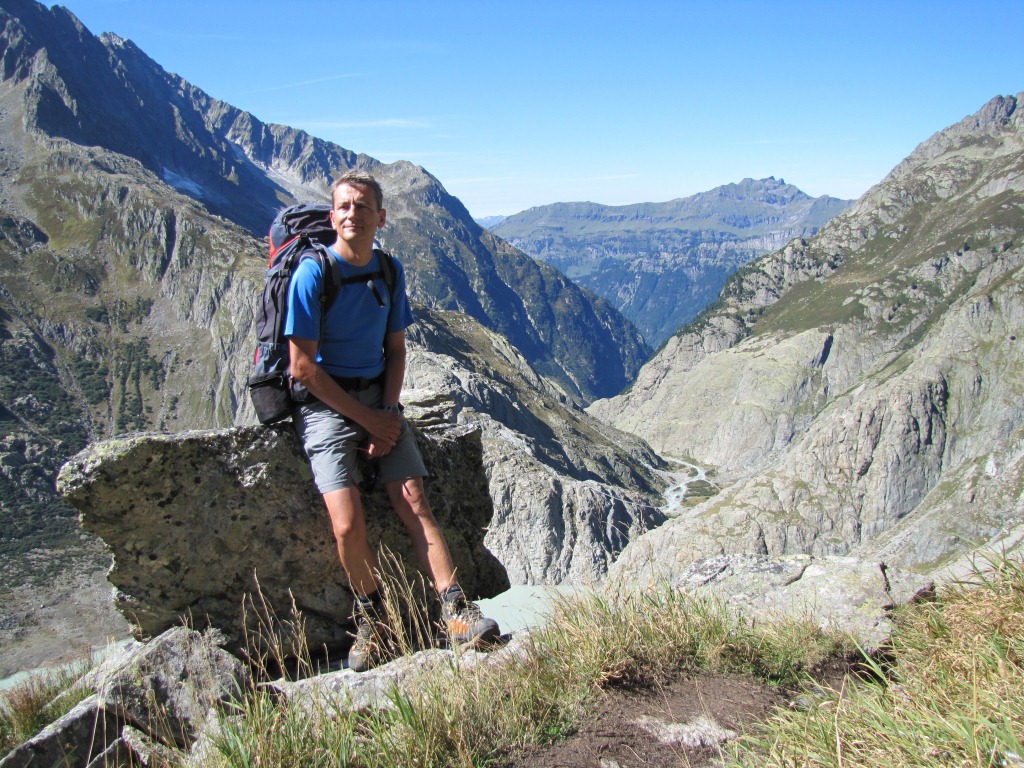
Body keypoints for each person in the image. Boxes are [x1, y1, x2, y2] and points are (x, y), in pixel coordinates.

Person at [285, 169, 500, 672]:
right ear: (332, 216)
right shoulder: (312, 275)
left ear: (380, 217)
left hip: (377, 399)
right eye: (344, 206)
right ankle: (372, 617)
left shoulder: (388, 270)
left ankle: (456, 612)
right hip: (325, 405)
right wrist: (370, 420)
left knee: (415, 500)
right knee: (346, 524)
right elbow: (302, 368)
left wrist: (386, 412)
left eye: (363, 206)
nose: (352, 214)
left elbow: (396, 350)